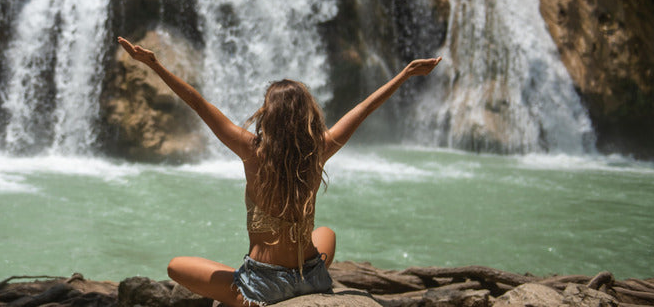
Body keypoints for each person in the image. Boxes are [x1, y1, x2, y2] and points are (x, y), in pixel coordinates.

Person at [116, 36, 441, 306]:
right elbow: (363, 109)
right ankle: (292, 281)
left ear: (268, 114)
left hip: (263, 285)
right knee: (326, 233)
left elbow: (198, 103)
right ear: (307, 115)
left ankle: (242, 294)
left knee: (176, 266)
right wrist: (405, 74)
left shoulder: (250, 149)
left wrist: (154, 64)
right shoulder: (319, 149)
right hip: (312, 276)